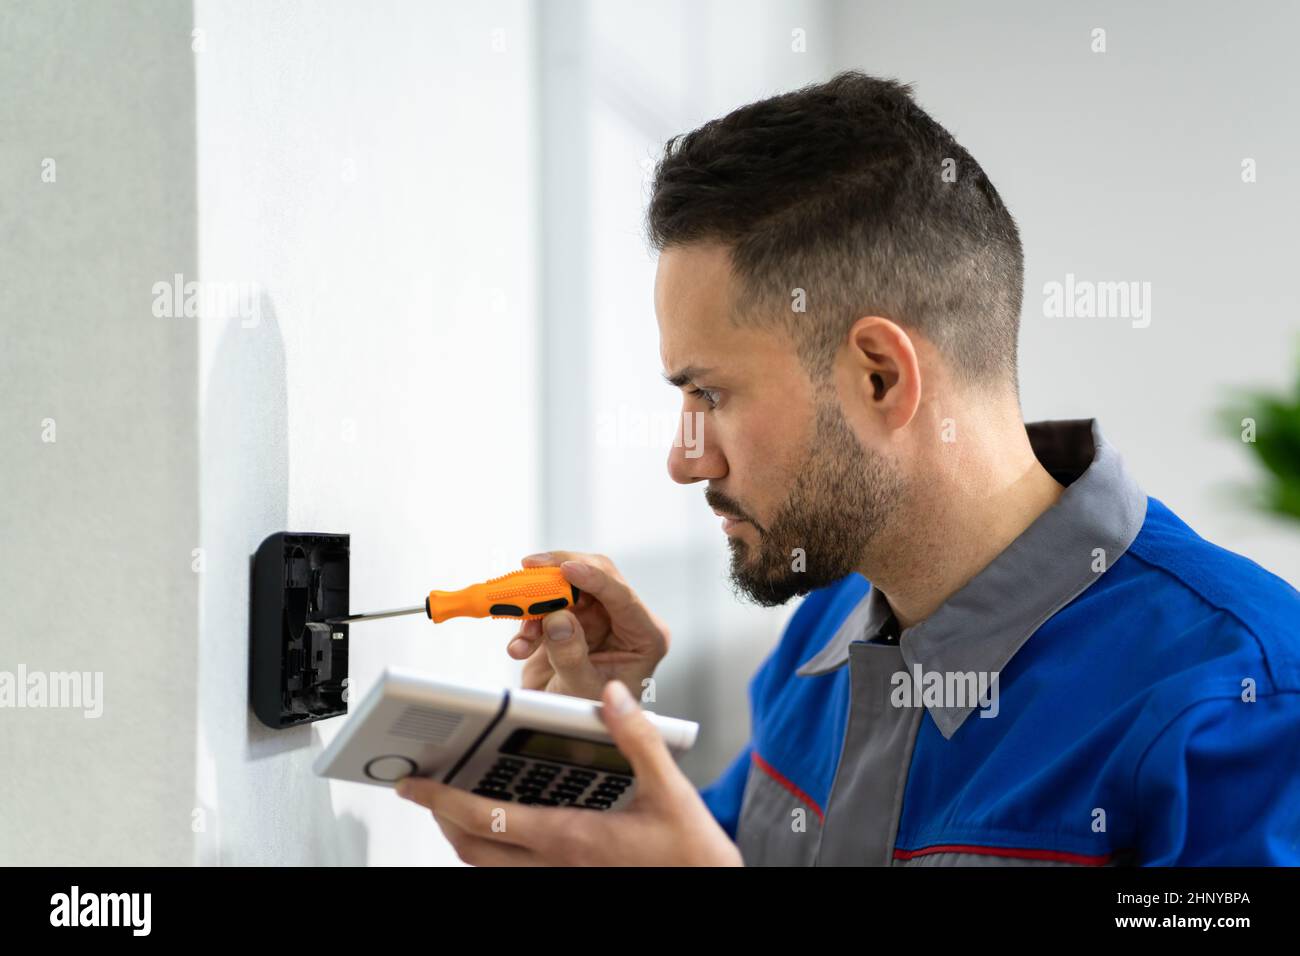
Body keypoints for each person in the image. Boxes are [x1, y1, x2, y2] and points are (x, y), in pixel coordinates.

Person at [396, 71, 1300, 866]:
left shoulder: (1243, 696)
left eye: (709, 394)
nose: (683, 458)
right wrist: (600, 766)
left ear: (880, 377)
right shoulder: (825, 626)